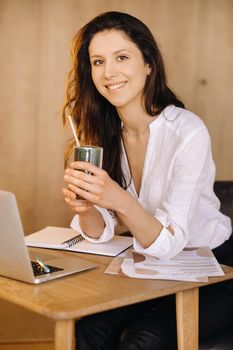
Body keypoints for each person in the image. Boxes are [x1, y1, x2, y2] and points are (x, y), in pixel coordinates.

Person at [62, 11, 233, 350]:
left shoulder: (187, 131)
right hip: (152, 267)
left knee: (140, 342)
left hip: (214, 268)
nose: (109, 72)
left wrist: (117, 198)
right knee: (88, 332)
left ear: (148, 64)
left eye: (121, 57)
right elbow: (101, 233)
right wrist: (85, 209)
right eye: (98, 61)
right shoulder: (102, 134)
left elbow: (170, 242)